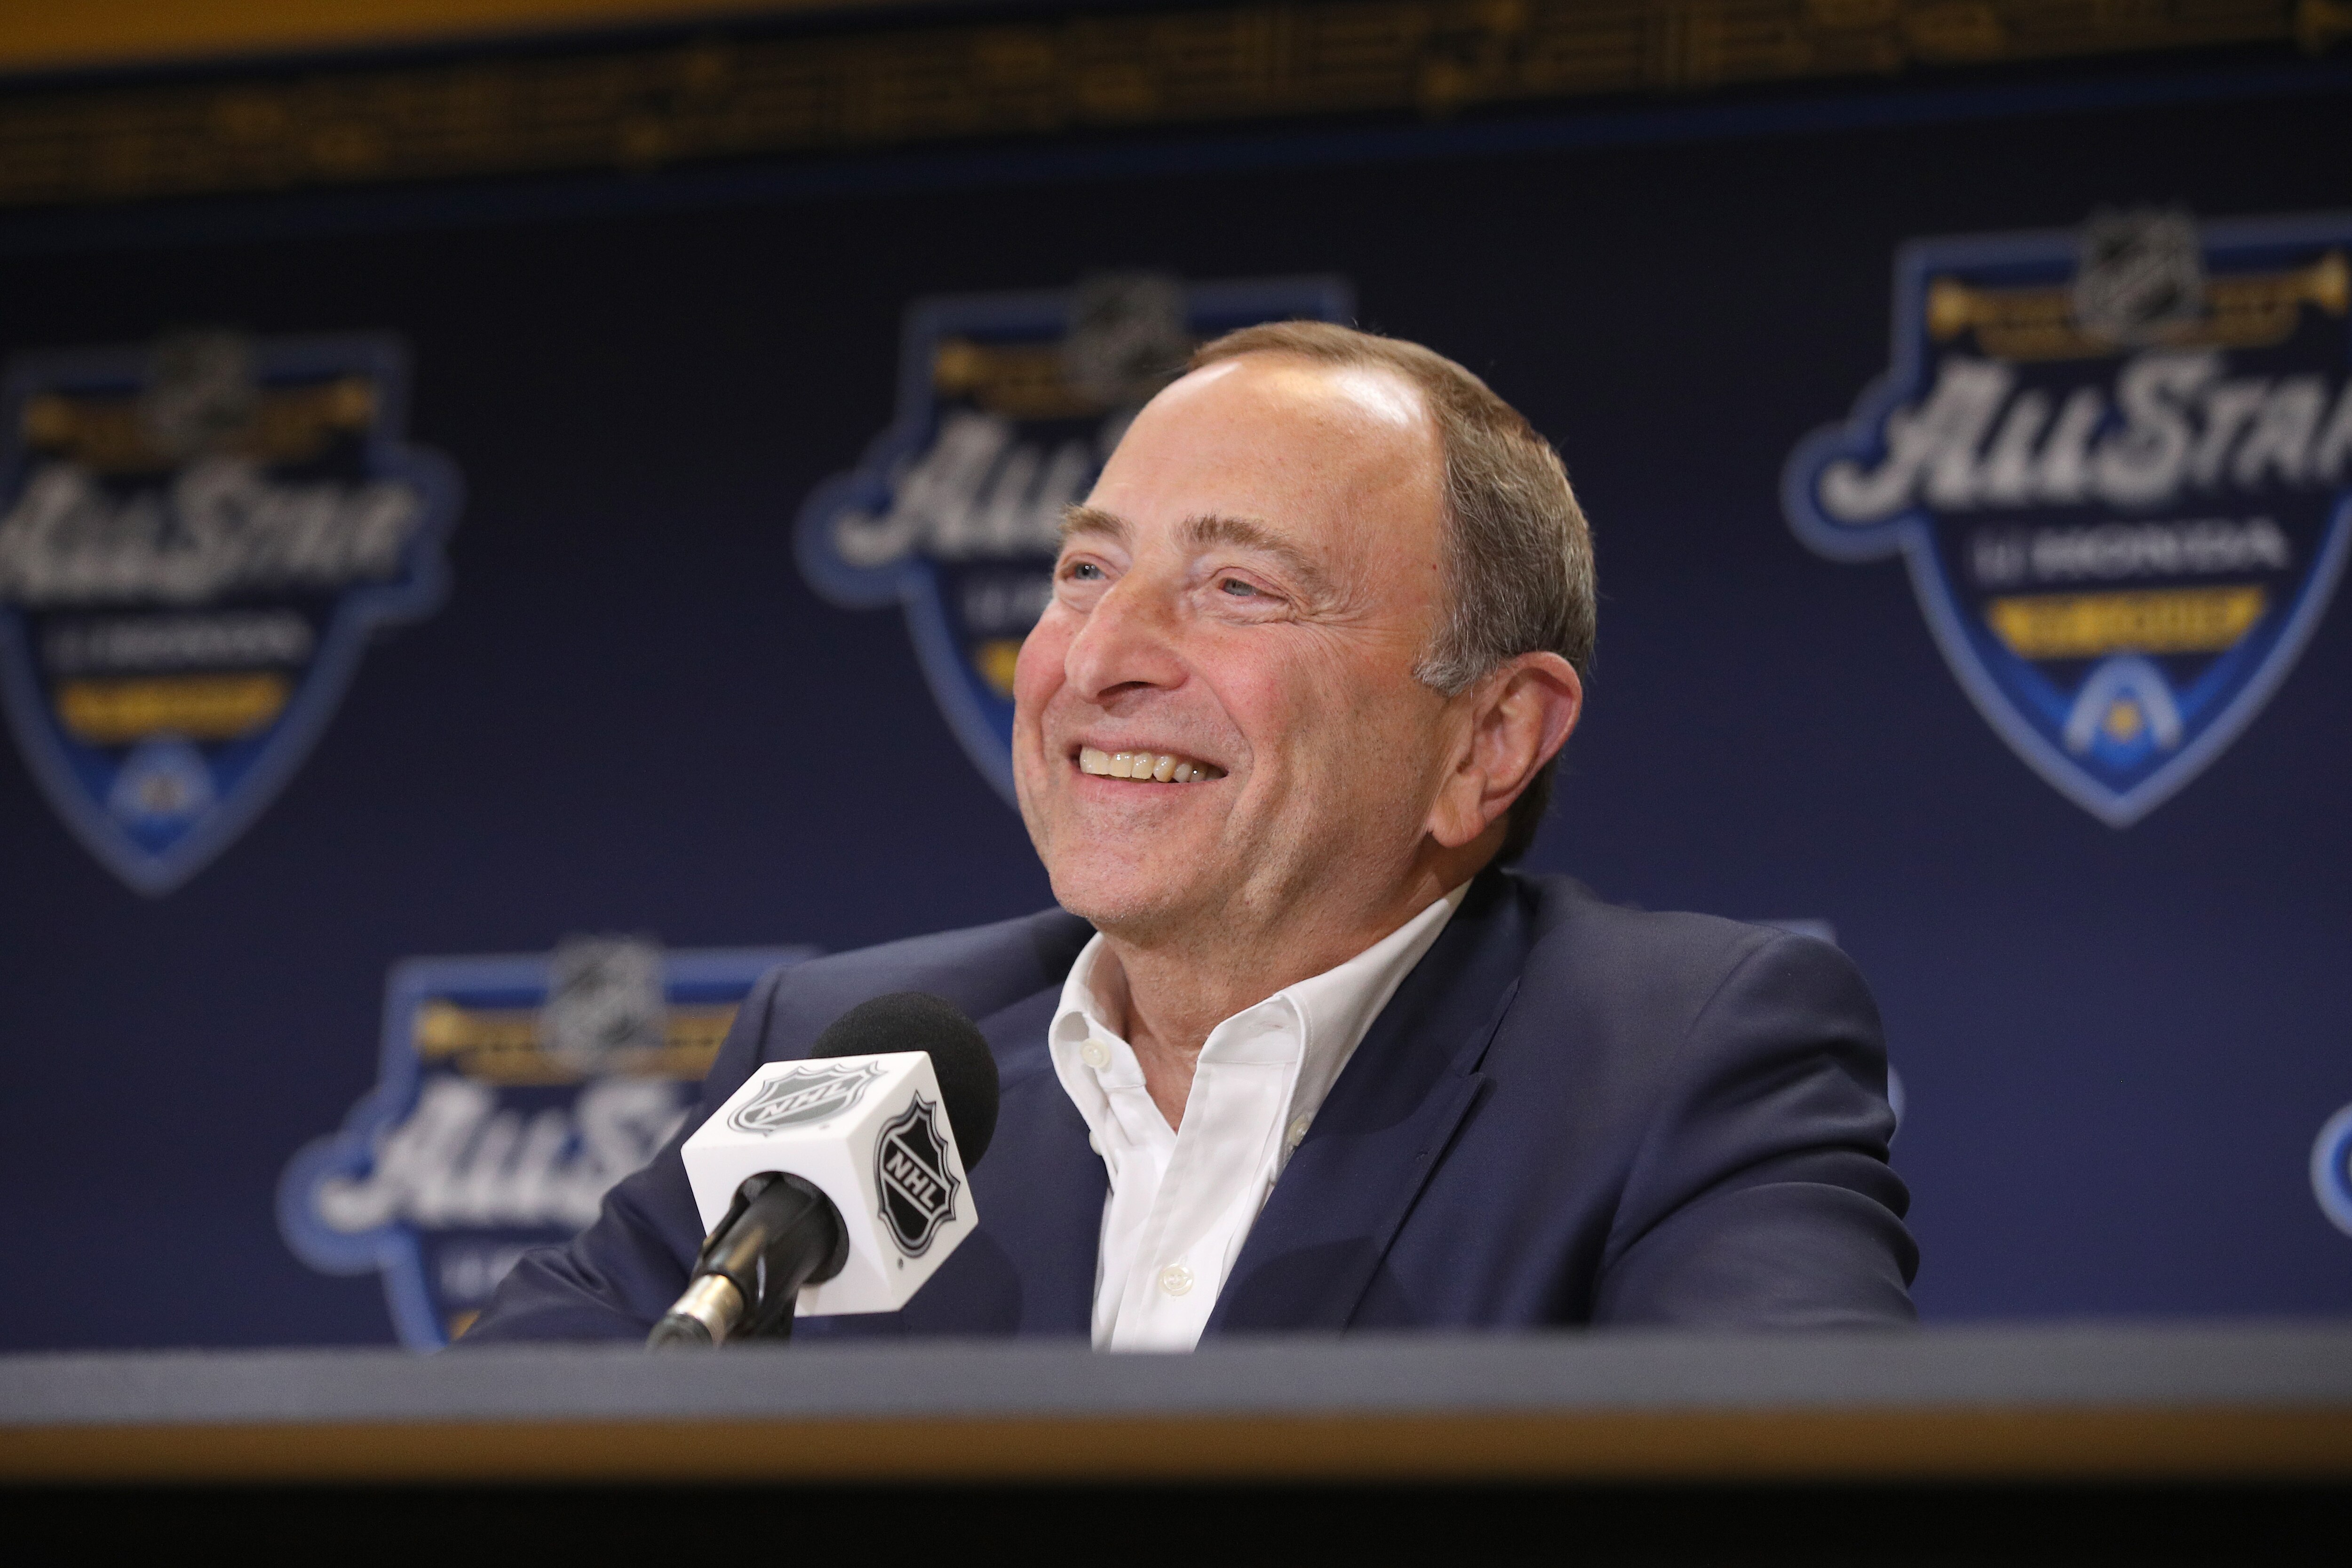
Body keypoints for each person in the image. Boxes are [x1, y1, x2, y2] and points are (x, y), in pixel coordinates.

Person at [464, 322, 1915, 1346]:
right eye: (1086, 570)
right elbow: (491, 1440)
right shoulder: (851, 1052)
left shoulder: (1679, 1063)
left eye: (1237, 589)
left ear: (1489, 739)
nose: (1100, 657)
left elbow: (1801, 1498)